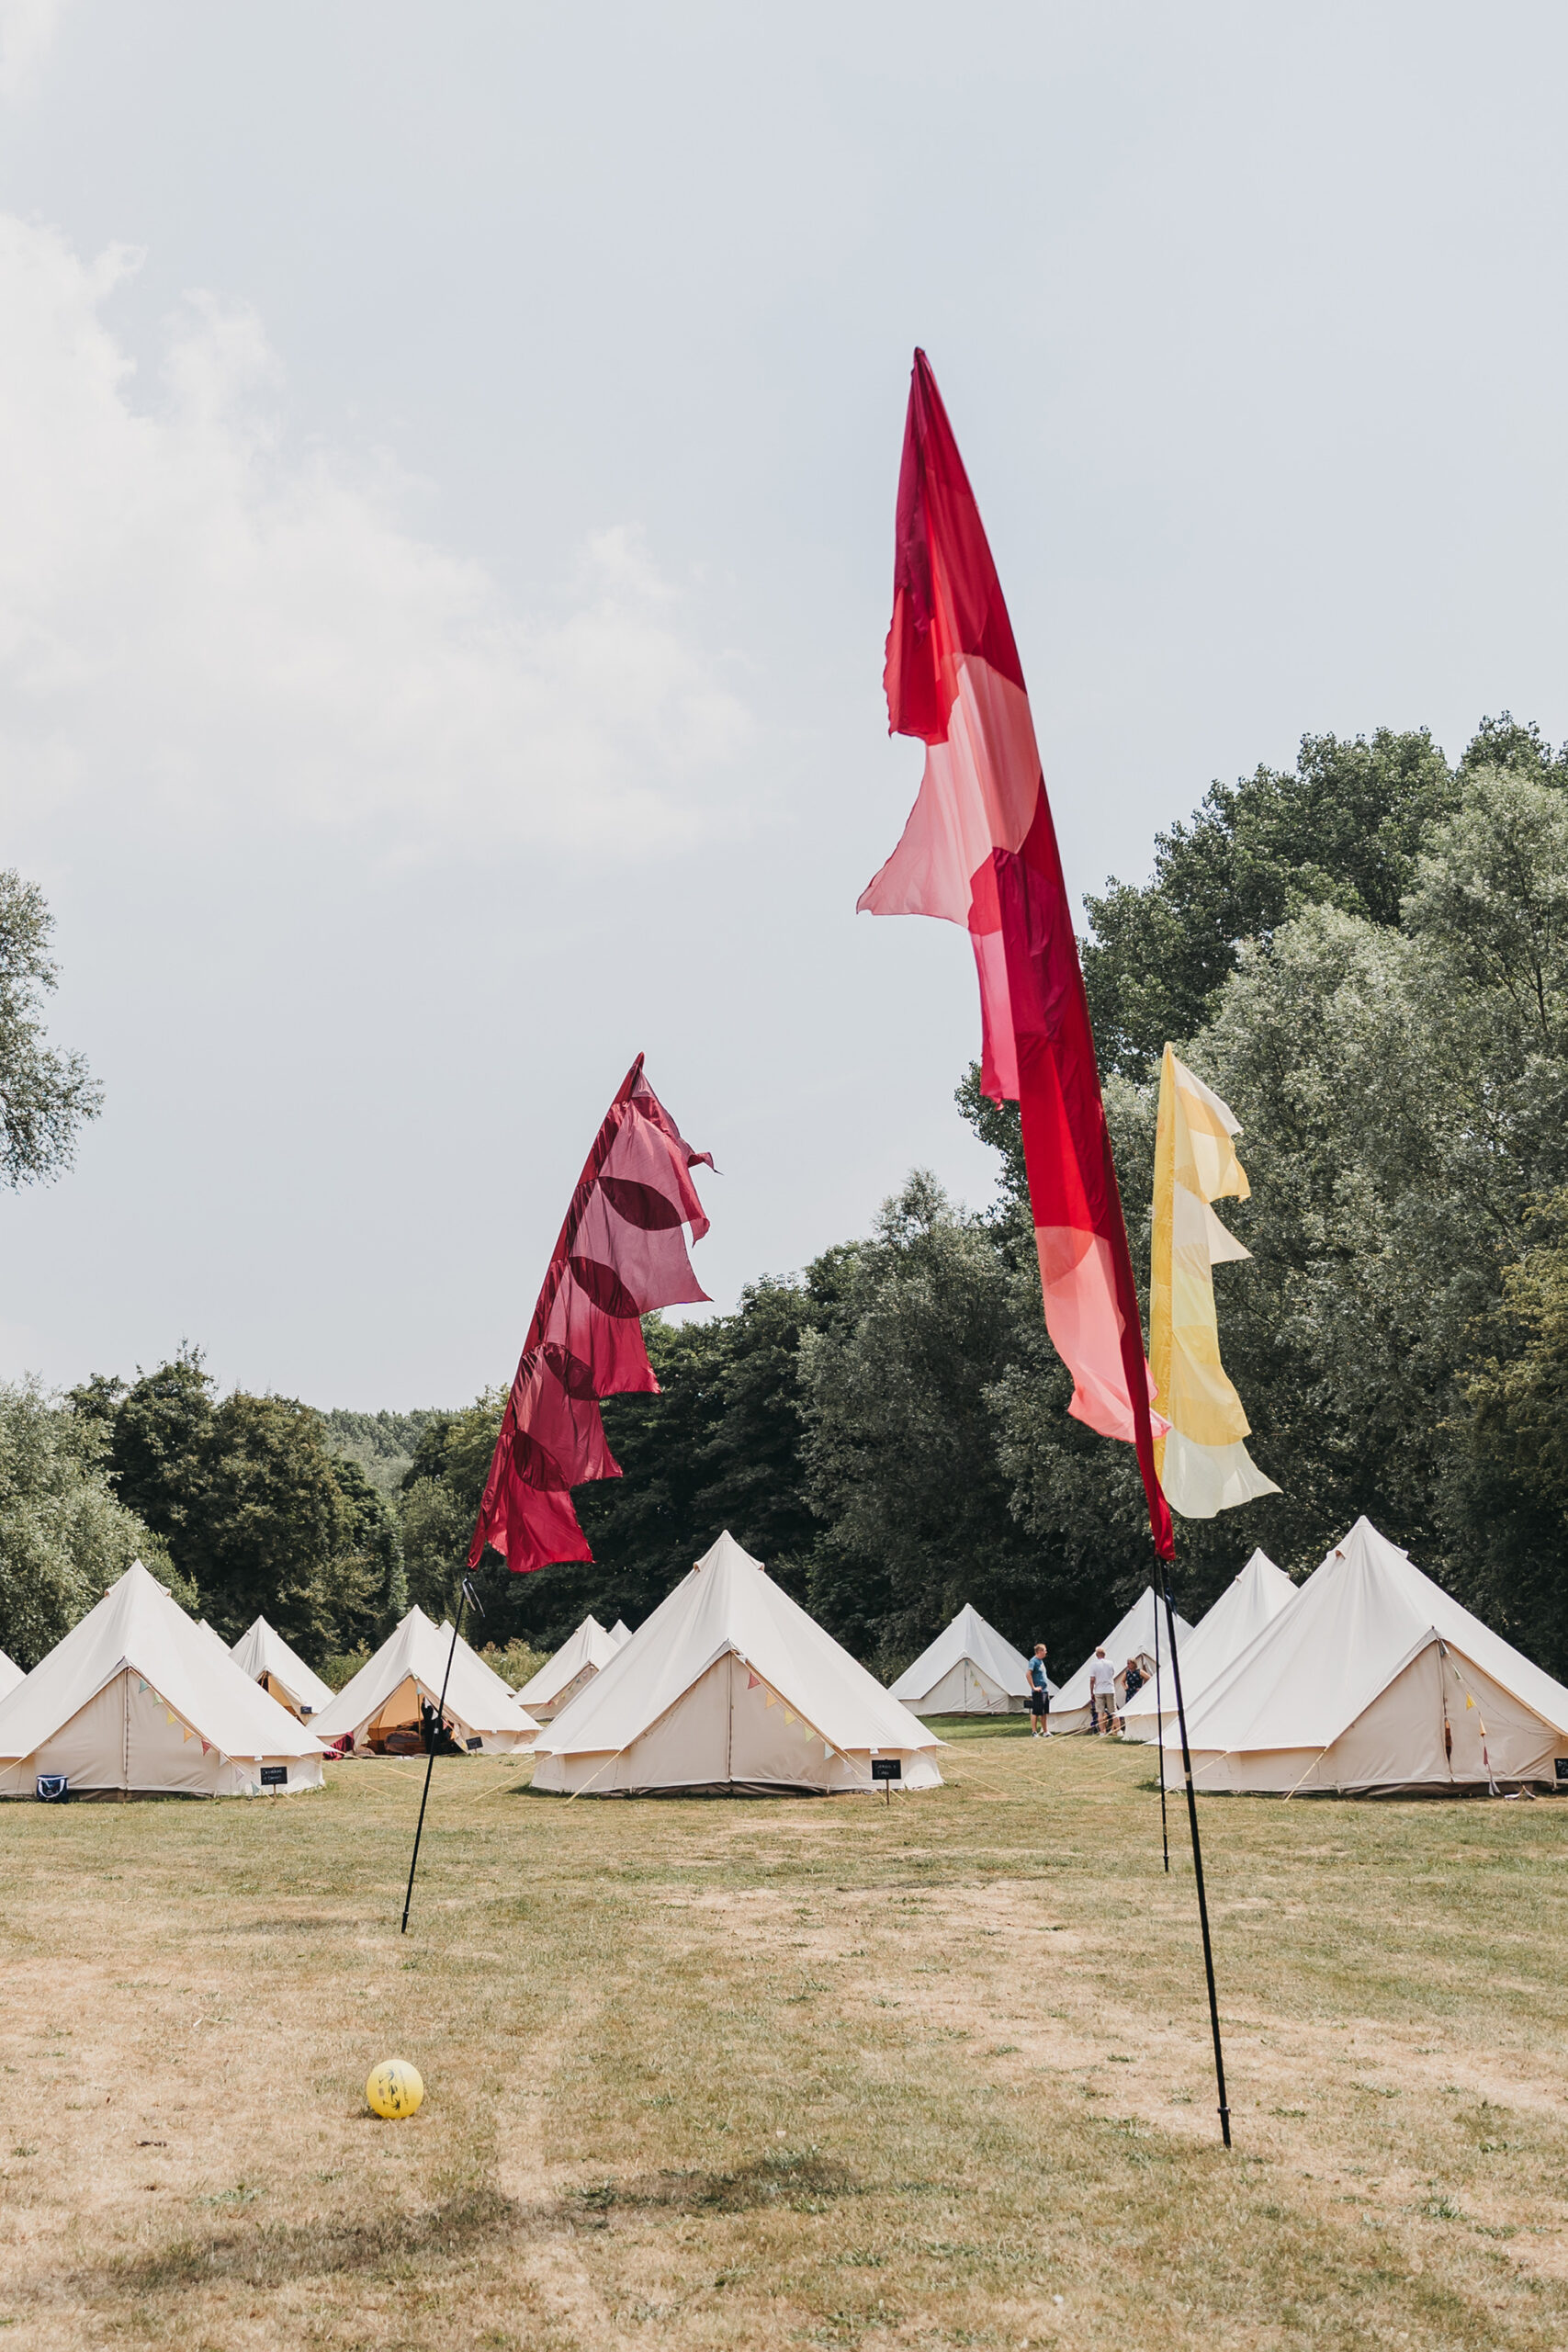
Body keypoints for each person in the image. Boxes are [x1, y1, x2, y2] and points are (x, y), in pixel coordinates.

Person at [1089, 1646, 1118, 1735]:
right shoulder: (1110, 1663)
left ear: (1096, 1655)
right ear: (1104, 1655)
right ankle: (1119, 1730)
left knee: (1100, 1712)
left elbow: (1092, 1680)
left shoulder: (1093, 1665)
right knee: (1113, 1711)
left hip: (1099, 1690)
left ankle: (1102, 1732)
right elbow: (1112, 1674)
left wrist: (1091, 1692)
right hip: (1109, 1689)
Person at [1026, 1643, 1051, 1736]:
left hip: (1045, 1690)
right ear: (1040, 1651)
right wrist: (1033, 1687)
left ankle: (1045, 1732)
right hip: (1038, 1691)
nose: (1046, 1652)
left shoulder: (1041, 1661)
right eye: (1045, 1650)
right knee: (1036, 1711)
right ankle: (1034, 1732)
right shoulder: (1033, 1661)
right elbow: (1028, 1674)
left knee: (1044, 1712)